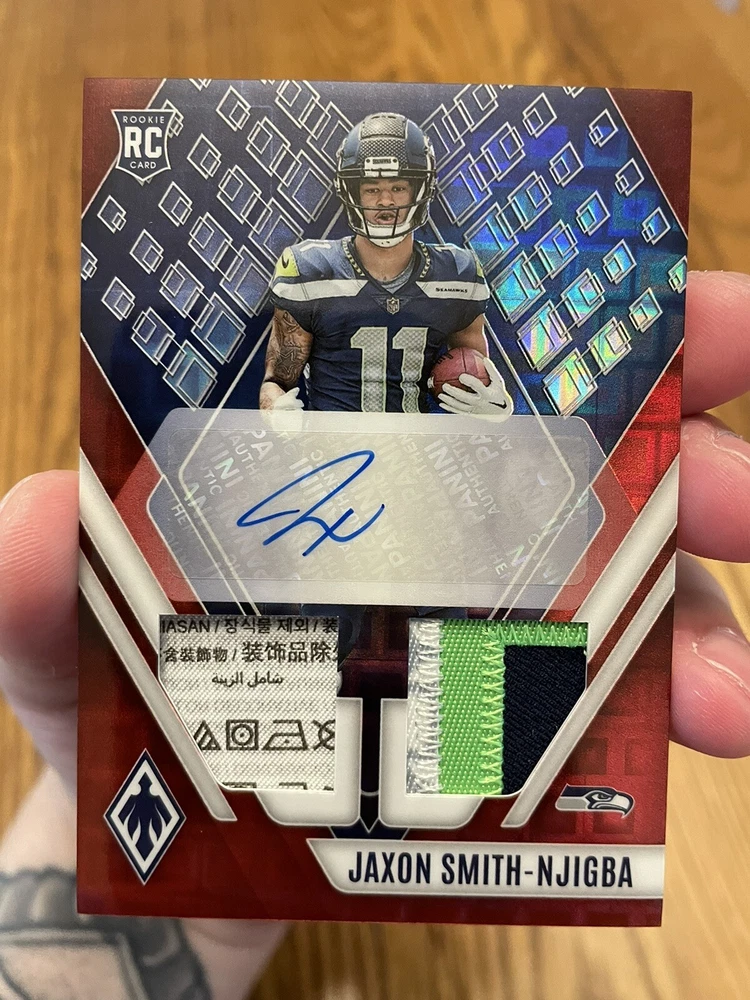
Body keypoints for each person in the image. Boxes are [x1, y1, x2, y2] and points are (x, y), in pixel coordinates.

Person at [1, 294, 750, 994]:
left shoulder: (448, 303)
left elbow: (478, 385)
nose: (386, 213)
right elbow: (284, 370)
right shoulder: (317, 292)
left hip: (419, 533)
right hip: (328, 528)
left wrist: (490, 415)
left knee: (466, 700)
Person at [259, 111, 513, 417]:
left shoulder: (458, 274)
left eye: (398, 187)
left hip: (418, 444)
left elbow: (475, 376)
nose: (385, 201)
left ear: (420, 190)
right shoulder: (310, 270)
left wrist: (497, 407)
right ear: (352, 191)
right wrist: (276, 410)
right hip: (332, 444)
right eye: (372, 189)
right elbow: (276, 382)